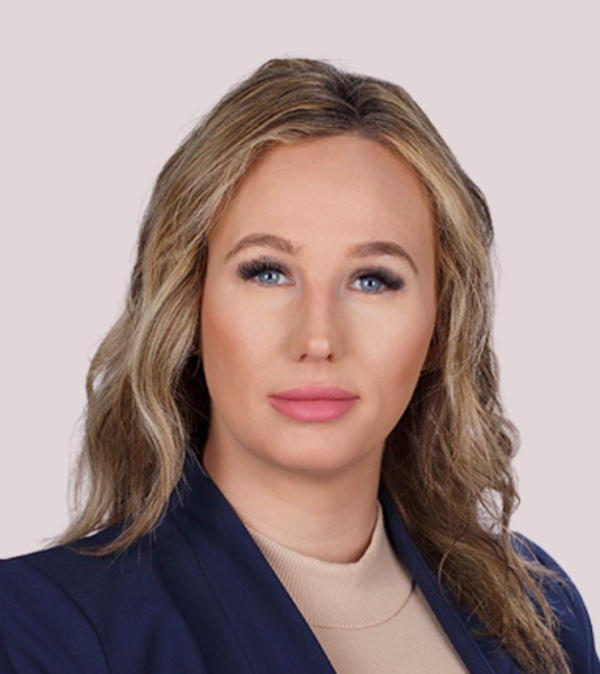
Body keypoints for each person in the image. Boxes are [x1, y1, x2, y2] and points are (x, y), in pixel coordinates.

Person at [0, 58, 597, 674]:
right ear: (188, 307)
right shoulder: (35, 631)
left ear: (441, 326)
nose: (317, 338)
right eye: (267, 272)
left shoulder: (540, 617)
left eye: (373, 279)